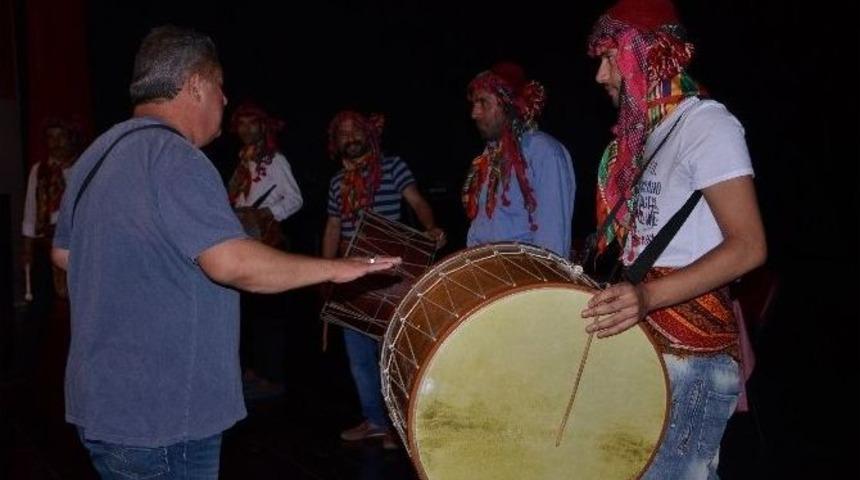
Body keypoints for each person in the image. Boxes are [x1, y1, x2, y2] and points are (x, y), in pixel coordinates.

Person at [50, 26, 399, 480]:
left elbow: (64, 255)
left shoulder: (96, 156)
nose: (226, 99)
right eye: (219, 85)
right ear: (195, 84)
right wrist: (338, 268)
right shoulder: (175, 156)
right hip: (165, 419)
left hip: (102, 410)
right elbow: (233, 262)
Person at [580, 0, 767, 478]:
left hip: (696, 362)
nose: (601, 75)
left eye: (610, 58)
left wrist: (647, 295)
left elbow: (749, 247)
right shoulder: (650, 134)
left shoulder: (706, 124)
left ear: (650, 55)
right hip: (650, 347)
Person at [321, 110, 445, 450]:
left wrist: (429, 228)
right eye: (342, 133)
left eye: (354, 130)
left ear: (368, 133)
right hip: (349, 276)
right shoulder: (336, 182)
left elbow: (417, 202)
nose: (350, 138)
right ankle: (375, 421)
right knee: (358, 357)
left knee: (388, 352)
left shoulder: (392, 167)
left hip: (388, 273)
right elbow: (333, 228)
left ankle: (399, 424)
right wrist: (325, 271)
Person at [227, 102, 303, 398]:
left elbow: (295, 199)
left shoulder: (275, 161)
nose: (246, 129)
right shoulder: (242, 161)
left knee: (268, 311)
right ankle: (253, 372)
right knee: (246, 311)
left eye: (252, 123)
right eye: (241, 124)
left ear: (263, 127)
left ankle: (272, 378)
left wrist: (267, 214)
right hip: (243, 240)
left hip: (266, 241)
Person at [464, 61, 576, 258]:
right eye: (473, 104)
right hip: (486, 277)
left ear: (508, 104)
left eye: (483, 103)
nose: (474, 113)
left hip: (522, 282)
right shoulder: (489, 156)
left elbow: (552, 248)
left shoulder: (545, 152)